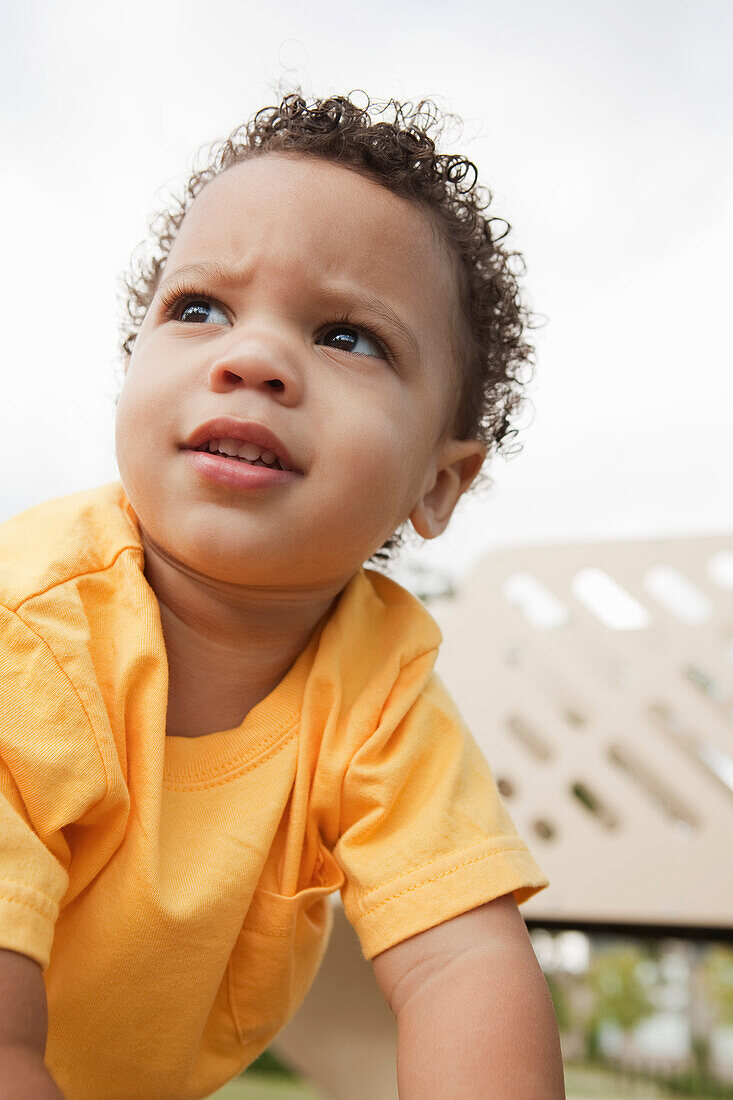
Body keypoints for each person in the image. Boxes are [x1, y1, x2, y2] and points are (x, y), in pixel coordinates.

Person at [0, 93, 565, 1099]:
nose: (250, 359)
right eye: (198, 308)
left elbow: (459, 964)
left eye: (346, 336)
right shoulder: (29, 632)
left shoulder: (381, 693)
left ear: (438, 482)